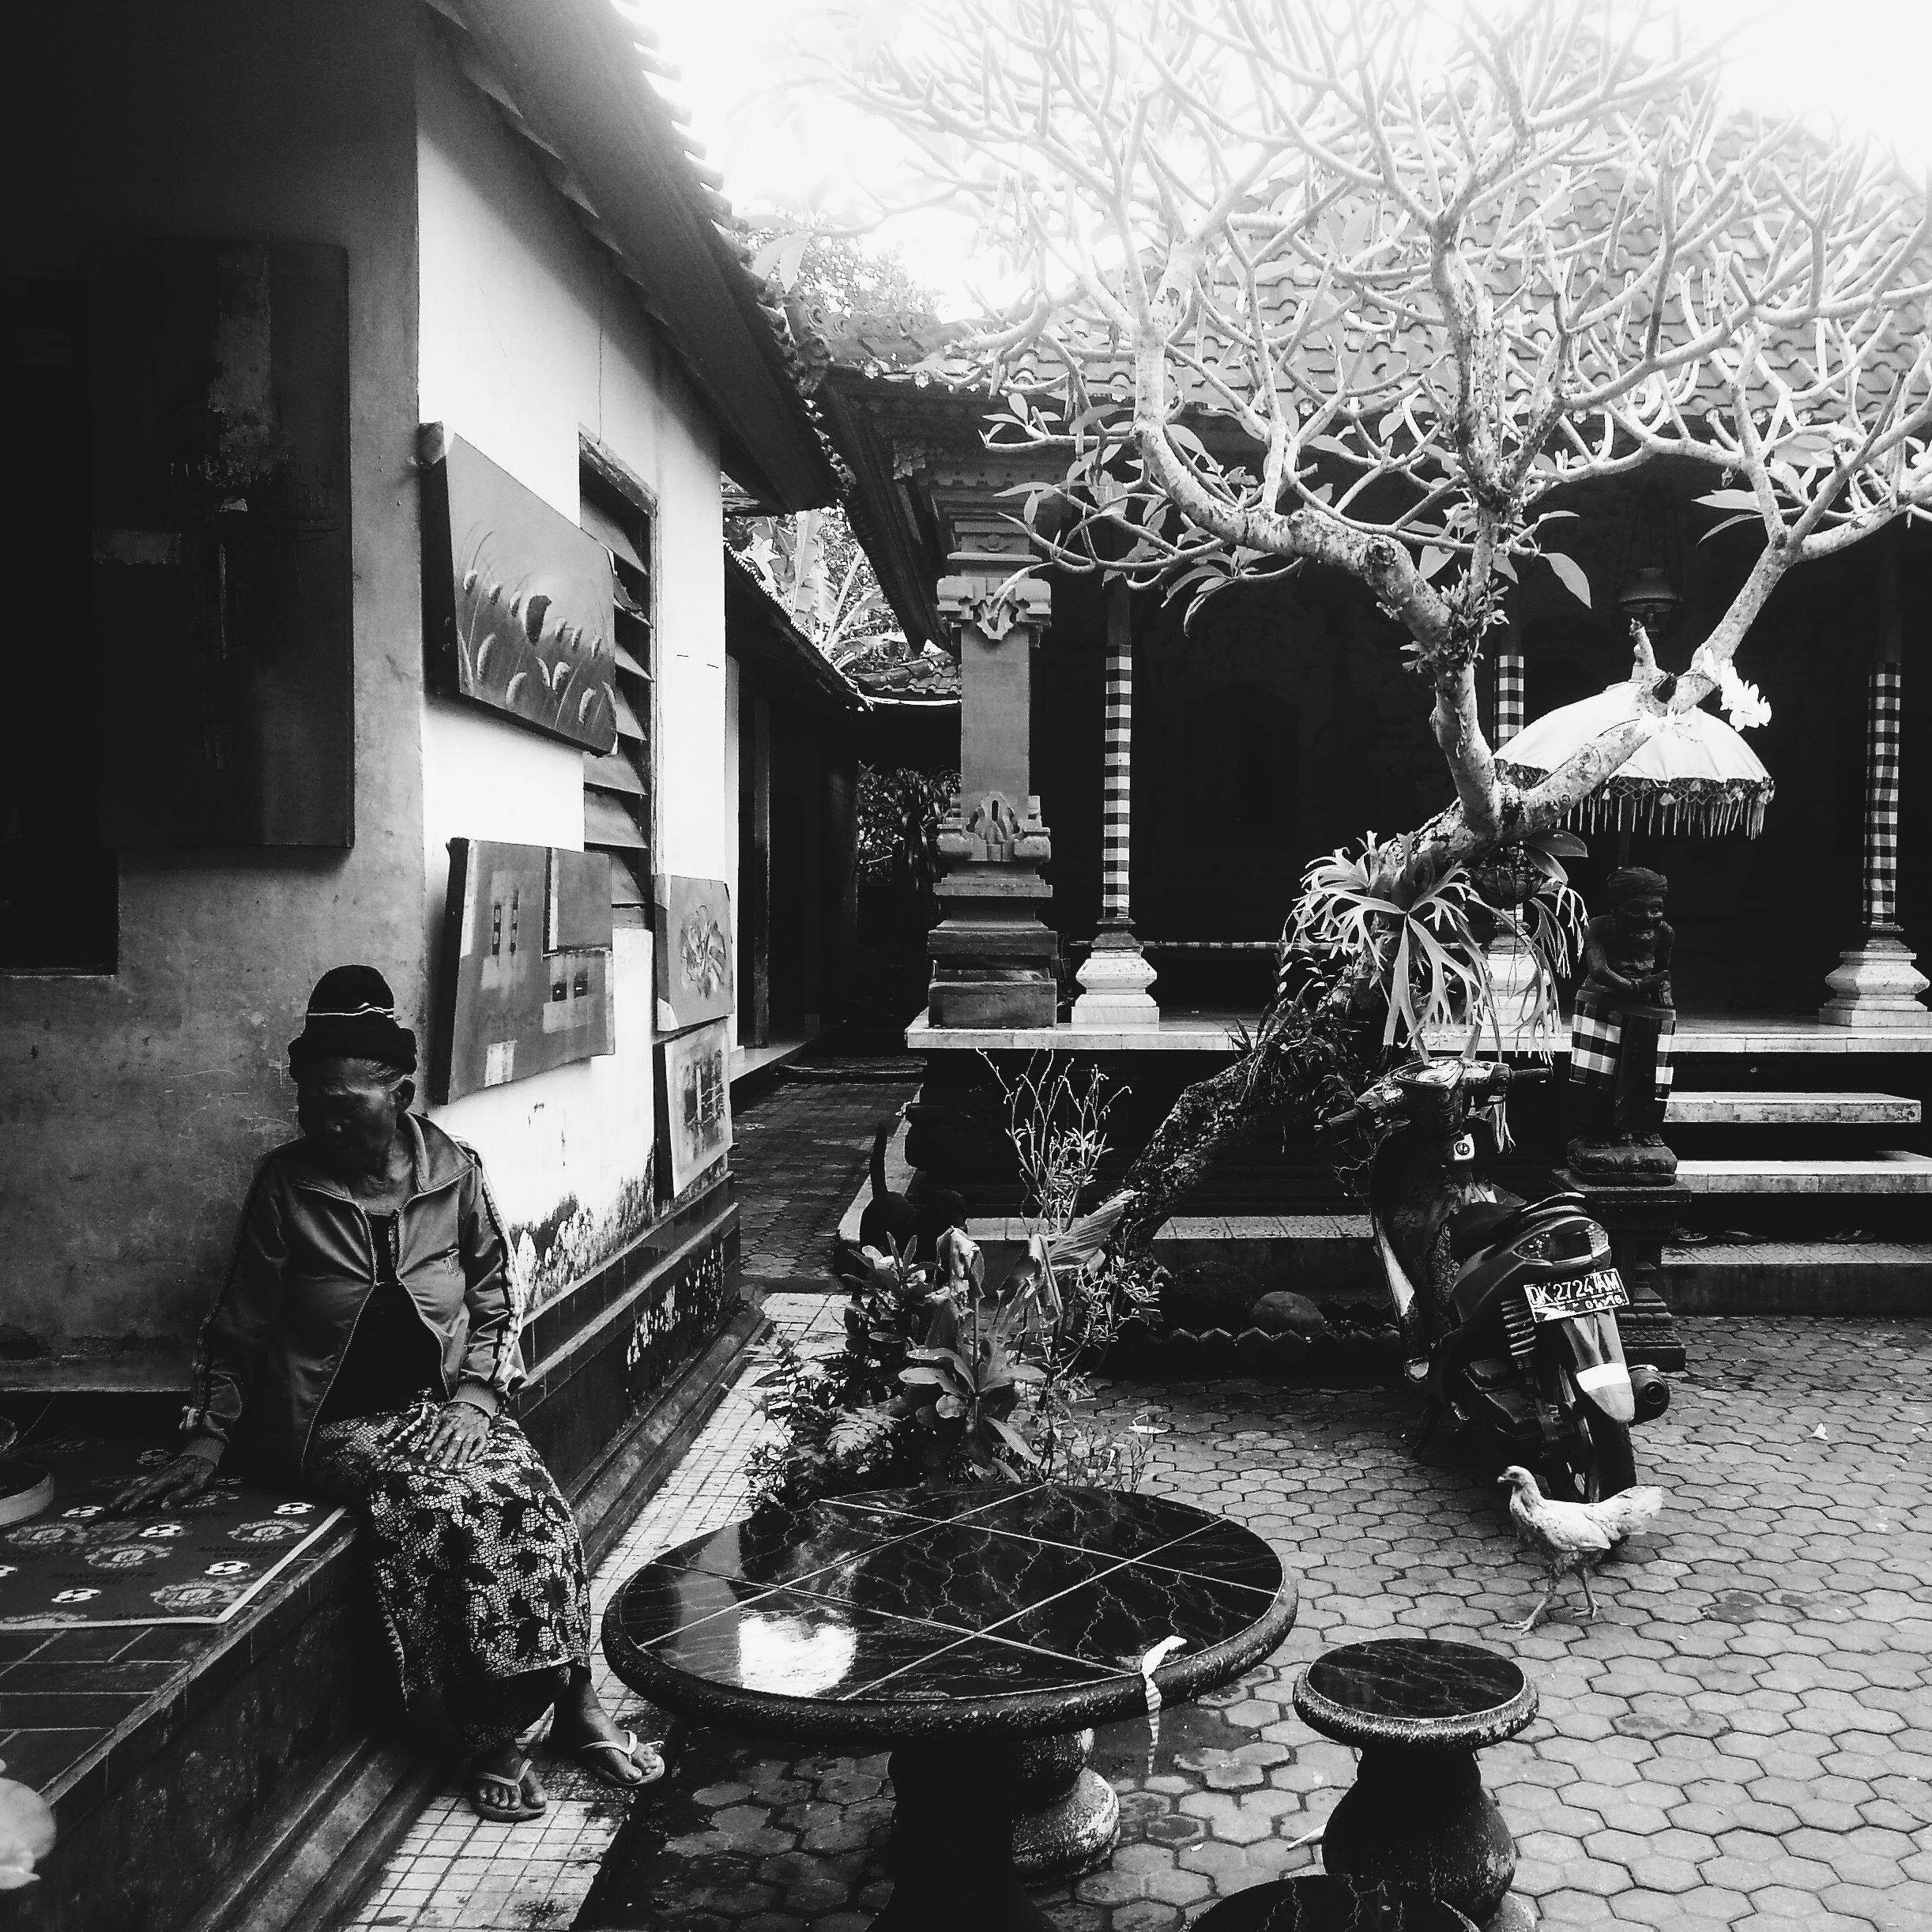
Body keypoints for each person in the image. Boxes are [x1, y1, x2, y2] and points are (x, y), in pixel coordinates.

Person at [112, 966, 661, 1821]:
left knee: (535, 1505)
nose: (325, 1122)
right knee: (451, 1514)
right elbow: (240, 1324)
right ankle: (498, 1729)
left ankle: (577, 1698)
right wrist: (206, 1437)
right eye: (311, 1105)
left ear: (399, 1093)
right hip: (333, 1424)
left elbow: (494, 1295)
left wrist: (477, 1399)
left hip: (449, 1408)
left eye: (348, 1105)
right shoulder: (285, 1185)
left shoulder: (455, 1172)